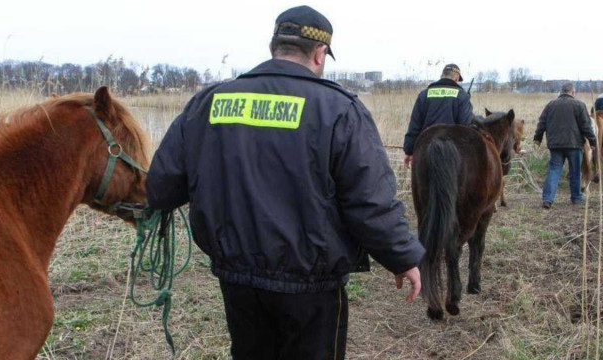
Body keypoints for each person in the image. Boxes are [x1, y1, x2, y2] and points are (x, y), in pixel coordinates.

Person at [145, 5, 425, 360]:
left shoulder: (208, 101)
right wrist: (402, 257)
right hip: (312, 285)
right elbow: (369, 201)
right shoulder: (339, 109)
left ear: (275, 46)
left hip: (237, 279)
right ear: (320, 53)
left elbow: (160, 187)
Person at [534, 82, 597, 208]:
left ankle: (547, 199)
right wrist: (593, 141)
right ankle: (576, 198)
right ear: (573, 93)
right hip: (575, 144)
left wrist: (537, 139)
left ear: (561, 92)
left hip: (555, 145)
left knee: (553, 171)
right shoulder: (579, 105)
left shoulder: (550, 105)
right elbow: (586, 126)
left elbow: (541, 123)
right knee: (575, 172)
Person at [403, 64, 475, 167]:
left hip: (424, 153)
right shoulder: (462, 96)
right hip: (452, 157)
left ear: (442, 75)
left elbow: (415, 125)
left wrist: (409, 151)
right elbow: (466, 129)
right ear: (456, 77)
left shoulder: (424, 94)